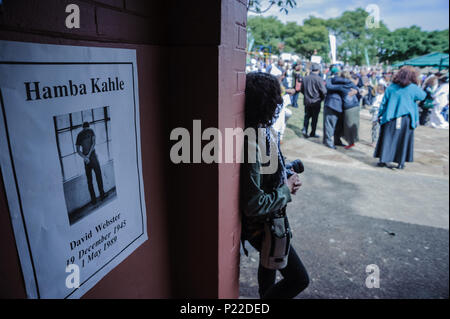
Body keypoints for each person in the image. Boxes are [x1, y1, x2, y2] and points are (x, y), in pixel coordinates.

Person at [241, 72, 309, 299]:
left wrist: (286, 172)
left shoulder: (260, 129)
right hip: (262, 225)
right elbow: (253, 204)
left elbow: (269, 167)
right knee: (299, 279)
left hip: (272, 222)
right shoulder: (251, 140)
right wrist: (286, 189)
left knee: (268, 269)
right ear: (266, 104)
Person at [374, 66, 426, 169]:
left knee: (387, 139)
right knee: (403, 140)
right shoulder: (413, 88)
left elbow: (384, 103)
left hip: (390, 117)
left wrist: (380, 115)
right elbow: (422, 96)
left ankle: (383, 160)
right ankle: (400, 162)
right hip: (406, 119)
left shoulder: (391, 87)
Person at [323, 68, 358, 149]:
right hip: (341, 106)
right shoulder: (349, 83)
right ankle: (334, 141)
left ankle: (330, 141)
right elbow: (356, 88)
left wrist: (328, 78)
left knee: (330, 124)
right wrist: (356, 90)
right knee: (336, 125)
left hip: (333, 104)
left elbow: (328, 86)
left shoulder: (333, 80)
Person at [76, 122, 105, 204]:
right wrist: (87, 156)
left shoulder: (80, 134)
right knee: (96, 177)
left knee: (91, 179)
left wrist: (85, 157)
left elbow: (78, 151)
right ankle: (100, 196)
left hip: (87, 159)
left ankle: (95, 199)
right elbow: (93, 144)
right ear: (88, 126)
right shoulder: (90, 131)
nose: (86, 130)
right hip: (91, 157)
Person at [300, 63, 327, 138]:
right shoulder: (319, 79)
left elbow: (302, 90)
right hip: (316, 102)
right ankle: (312, 132)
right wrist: (321, 99)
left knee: (307, 116)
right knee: (314, 118)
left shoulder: (305, 78)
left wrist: (307, 96)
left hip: (307, 101)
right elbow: (324, 91)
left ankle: (305, 130)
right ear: (318, 70)